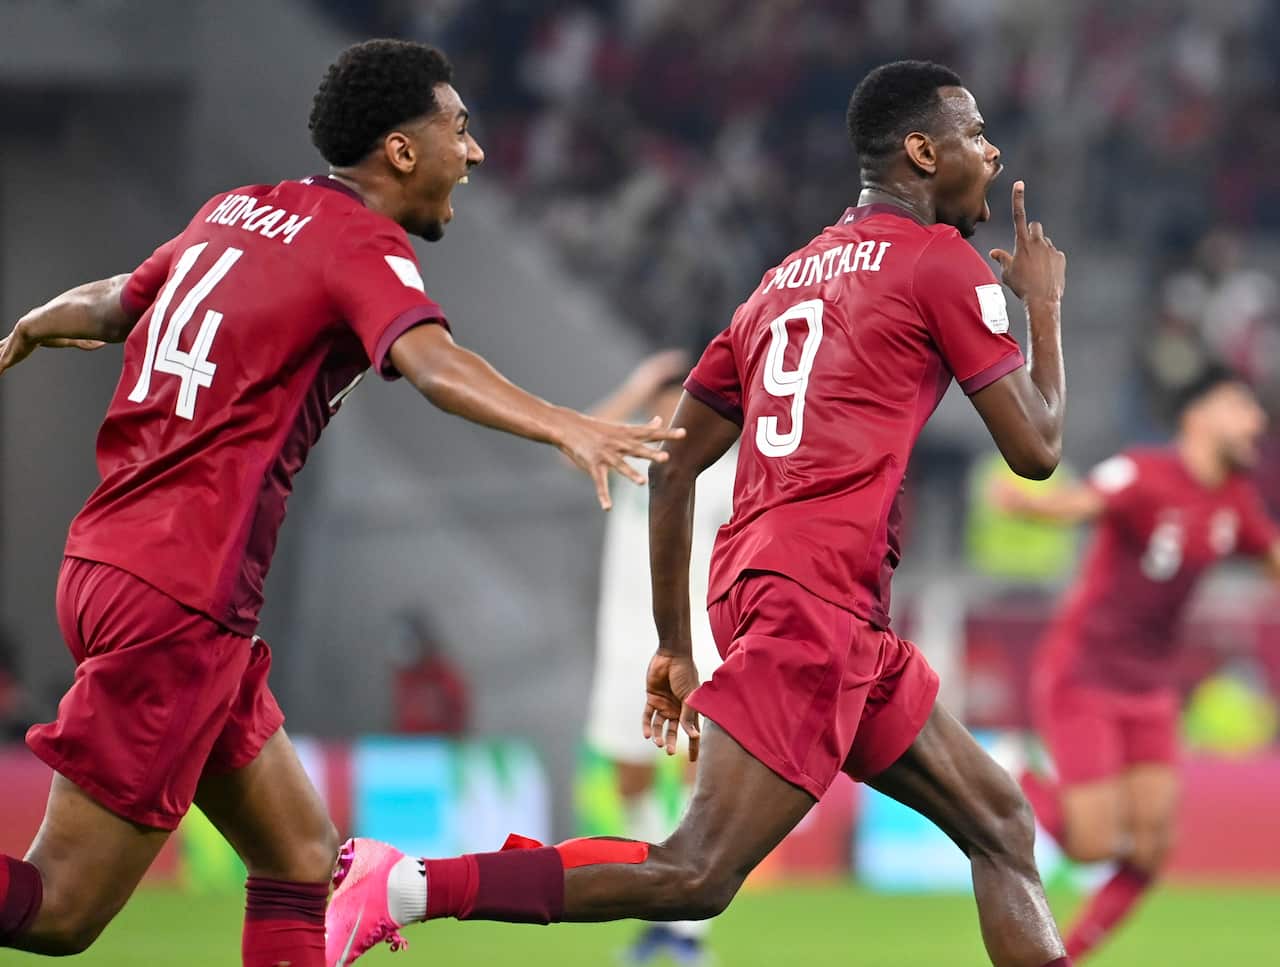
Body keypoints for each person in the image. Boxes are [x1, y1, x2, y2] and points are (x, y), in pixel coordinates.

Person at [327, 60, 1073, 967]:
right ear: (922, 151)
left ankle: (409, 885)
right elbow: (1037, 452)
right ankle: (405, 886)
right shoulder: (940, 262)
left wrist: (675, 643)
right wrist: (1043, 309)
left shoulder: (781, 281)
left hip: (791, 597)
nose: (993, 154)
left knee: (1000, 821)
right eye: (976, 135)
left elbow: (673, 460)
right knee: (697, 872)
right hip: (816, 604)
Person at [0, 40, 680, 966]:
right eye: (459, 129)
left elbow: (120, 300)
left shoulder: (234, 210)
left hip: (116, 563)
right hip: (180, 596)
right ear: (401, 150)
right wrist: (567, 424)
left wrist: (38, 319)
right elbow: (432, 363)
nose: (474, 152)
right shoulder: (358, 241)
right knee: (60, 911)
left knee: (300, 858)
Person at [992, 366, 1280, 961]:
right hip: (1086, 673)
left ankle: (1066, 956)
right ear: (1199, 416)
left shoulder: (1235, 501)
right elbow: (1084, 502)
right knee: (1092, 847)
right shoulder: (1144, 472)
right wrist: (1031, 508)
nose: (1257, 422)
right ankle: (1013, 771)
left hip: (1150, 687)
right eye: (1242, 407)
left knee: (1150, 851)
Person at [584, 349, 735, 966]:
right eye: (659, 402)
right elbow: (572, 444)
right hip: (624, 646)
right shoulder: (629, 460)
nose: (668, 416)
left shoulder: (722, 469)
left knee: (701, 775)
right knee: (632, 777)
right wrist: (636, 381)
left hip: (699, 645)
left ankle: (689, 928)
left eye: (678, 403)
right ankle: (656, 908)